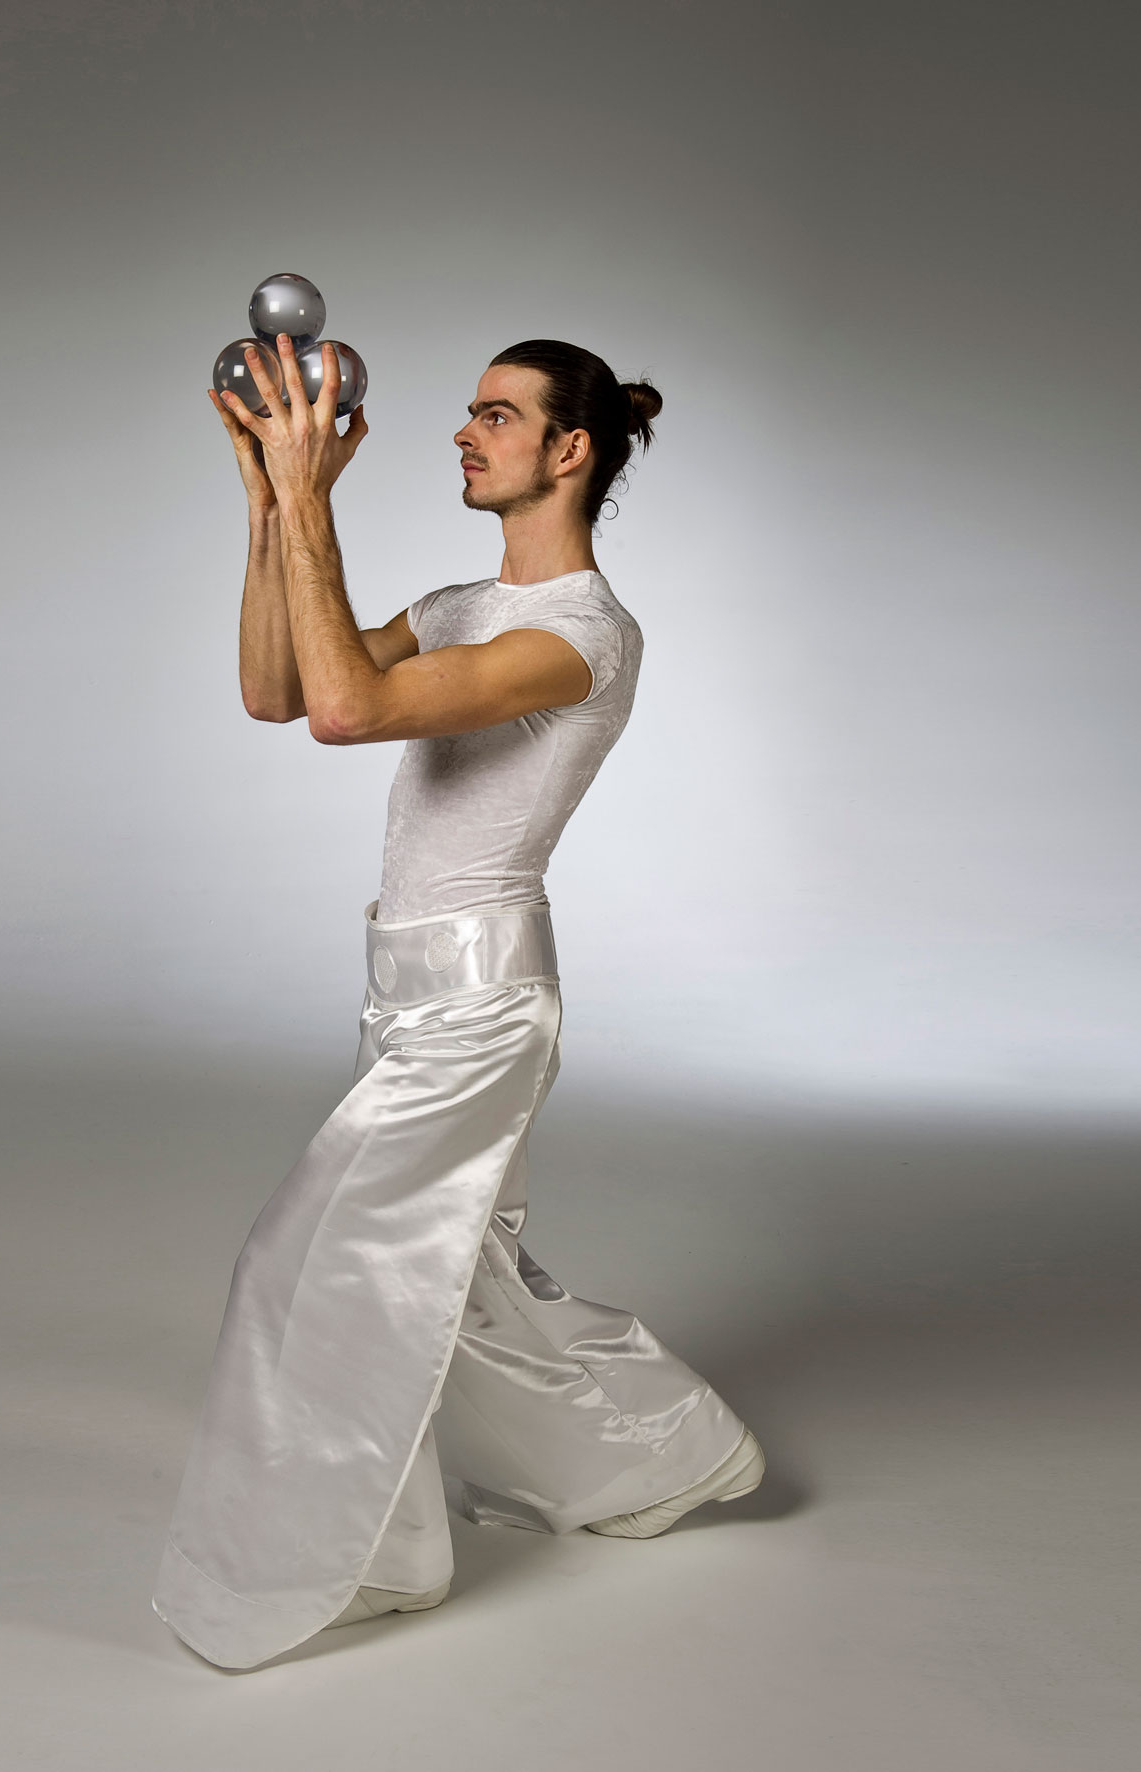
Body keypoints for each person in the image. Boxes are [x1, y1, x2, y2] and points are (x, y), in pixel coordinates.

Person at [152, 331, 763, 1671]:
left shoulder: (583, 636)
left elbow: (349, 714)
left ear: (569, 450)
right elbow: (275, 689)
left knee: (304, 1268)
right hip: (404, 988)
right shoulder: (453, 607)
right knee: (469, 1290)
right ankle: (664, 1459)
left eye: (495, 414)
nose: (462, 432)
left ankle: (361, 1561)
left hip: (482, 1008)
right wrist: (270, 502)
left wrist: (311, 495)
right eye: (469, 412)